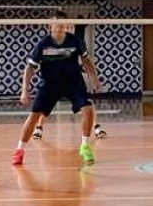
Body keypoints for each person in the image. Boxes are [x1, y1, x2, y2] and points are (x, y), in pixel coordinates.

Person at [12, 11, 103, 166]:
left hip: (73, 82)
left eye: (63, 23)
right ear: (51, 26)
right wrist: (24, 90)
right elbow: (30, 68)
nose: (60, 26)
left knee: (87, 109)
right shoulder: (43, 44)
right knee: (34, 115)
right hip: (50, 84)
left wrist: (95, 80)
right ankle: (19, 150)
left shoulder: (75, 42)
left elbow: (87, 61)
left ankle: (85, 146)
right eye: (57, 23)